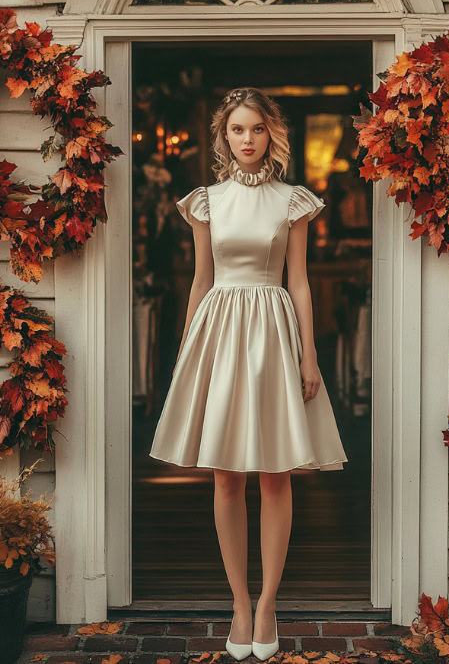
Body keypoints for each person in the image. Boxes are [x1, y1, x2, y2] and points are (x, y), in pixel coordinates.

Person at [149, 87, 348, 660]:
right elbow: (200, 278)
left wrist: (310, 355)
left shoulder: (293, 201)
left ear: (271, 134)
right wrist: (189, 350)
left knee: (276, 472)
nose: (247, 139)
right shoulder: (207, 200)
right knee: (227, 474)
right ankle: (238, 601)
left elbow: (301, 282)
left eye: (256, 129)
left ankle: (268, 605)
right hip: (220, 330)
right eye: (237, 129)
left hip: (274, 331)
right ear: (224, 136)